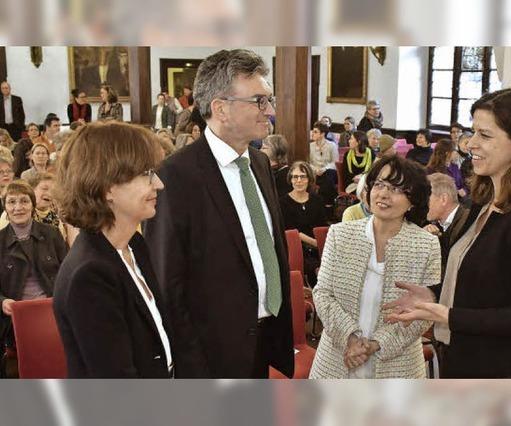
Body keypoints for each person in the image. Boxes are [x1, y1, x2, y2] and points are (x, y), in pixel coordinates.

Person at [384, 88, 511, 378]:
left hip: (503, 368)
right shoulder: (482, 202)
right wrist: (433, 293)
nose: (471, 144)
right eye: (473, 132)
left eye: (485, 135)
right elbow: (482, 285)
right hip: (464, 356)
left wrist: (447, 314)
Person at [144, 49, 294, 378]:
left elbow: (268, 245)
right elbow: (168, 283)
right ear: (220, 108)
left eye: (269, 100)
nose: (269, 111)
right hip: (211, 353)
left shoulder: (260, 163)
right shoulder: (175, 176)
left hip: (263, 339)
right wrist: (191, 363)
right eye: (259, 101)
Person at [53, 122, 173, 378]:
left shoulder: (135, 245)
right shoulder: (90, 275)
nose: (159, 184)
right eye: (147, 174)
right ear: (108, 188)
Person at [309, 155, 440, 379]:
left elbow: (425, 311)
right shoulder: (341, 234)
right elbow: (322, 294)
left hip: (399, 366)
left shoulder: (426, 245)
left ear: (413, 200)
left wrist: (377, 343)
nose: (384, 194)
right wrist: (350, 338)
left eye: (397, 189)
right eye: (379, 184)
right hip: (337, 357)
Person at [0, 181, 67, 376]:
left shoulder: (52, 234)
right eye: (12, 202)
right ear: (5, 207)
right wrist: (3, 302)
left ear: (32, 204)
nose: (18, 207)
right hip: (14, 319)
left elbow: (68, 273)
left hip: (52, 311)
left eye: (24, 201)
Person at [279, 161, 327, 287]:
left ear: (309, 179)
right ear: (290, 179)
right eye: (295, 177)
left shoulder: (317, 200)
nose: (299, 180)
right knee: (316, 268)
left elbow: (322, 227)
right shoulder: (283, 202)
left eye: (303, 176)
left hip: (318, 247)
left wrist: (322, 246)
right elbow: (292, 232)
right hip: (296, 247)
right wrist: (316, 244)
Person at [424, 173, 470, 282]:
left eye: (426, 199)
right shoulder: (436, 226)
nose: (422, 204)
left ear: (443, 199)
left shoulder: (468, 225)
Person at [309, 121, 338, 208]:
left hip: (328, 172)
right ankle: (327, 204)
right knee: (325, 180)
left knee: (328, 174)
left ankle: (325, 204)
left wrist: (324, 169)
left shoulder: (331, 145)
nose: (312, 134)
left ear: (322, 134)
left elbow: (335, 163)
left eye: (315, 132)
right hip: (315, 172)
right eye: (312, 131)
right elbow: (309, 162)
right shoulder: (310, 146)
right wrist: (315, 169)